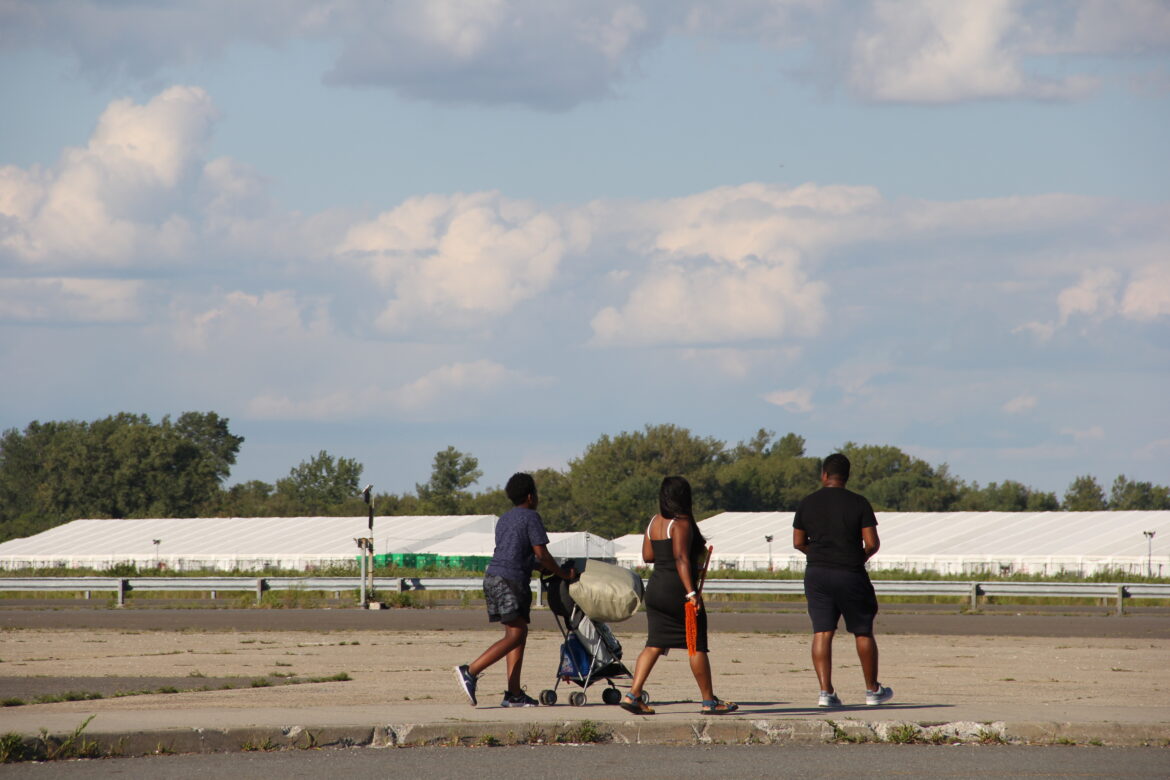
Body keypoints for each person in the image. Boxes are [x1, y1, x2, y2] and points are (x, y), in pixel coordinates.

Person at [454, 472, 576, 708]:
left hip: (493, 578)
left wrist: (540, 567)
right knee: (516, 634)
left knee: (518, 632)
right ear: (531, 496)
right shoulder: (531, 517)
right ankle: (470, 671)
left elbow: (520, 554)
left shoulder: (505, 519)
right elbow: (541, 553)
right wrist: (561, 573)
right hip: (511, 581)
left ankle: (514, 694)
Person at [621, 476, 738, 715]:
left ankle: (633, 694)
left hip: (655, 589)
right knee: (696, 645)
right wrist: (691, 592)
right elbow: (681, 558)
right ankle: (709, 701)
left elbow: (648, 556)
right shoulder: (681, 523)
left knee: (654, 643)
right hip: (677, 591)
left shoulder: (654, 521)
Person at [793, 453, 893, 708]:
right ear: (846, 477)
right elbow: (872, 543)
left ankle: (826, 693)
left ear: (824, 475)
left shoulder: (807, 502)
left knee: (822, 632)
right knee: (862, 631)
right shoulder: (859, 503)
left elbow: (797, 542)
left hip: (817, 574)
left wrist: (816, 554)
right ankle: (872, 690)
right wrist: (856, 557)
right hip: (850, 573)